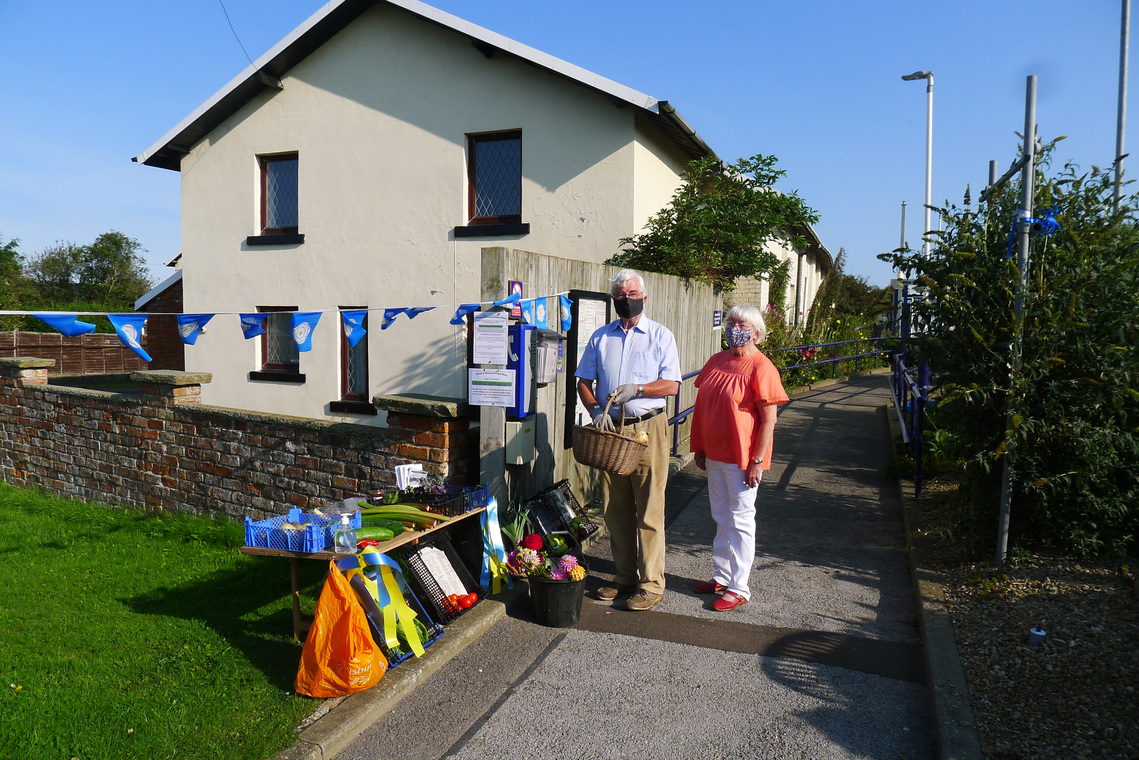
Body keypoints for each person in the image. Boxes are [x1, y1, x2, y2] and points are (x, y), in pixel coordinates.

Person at [576, 269, 680, 611]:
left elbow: (672, 385)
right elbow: (584, 381)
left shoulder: (660, 336)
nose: (625, 299)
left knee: (649, 510)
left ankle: (651, 583)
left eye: (631, 294)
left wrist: (638, 389)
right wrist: (595, 411)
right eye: (619, 296)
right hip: (612, 433)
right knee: (615, 509)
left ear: (644, 297)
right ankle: (623, 578)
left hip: (649, 429)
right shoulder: (601, 338)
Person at [689, 304, 788, 612]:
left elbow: (769, 420)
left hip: (742, 458)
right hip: (716, 453)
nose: (734, 327)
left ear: (756, 332)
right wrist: (701, 447)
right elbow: (706, 407)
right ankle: (721, 575)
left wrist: (757, 461)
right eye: (731, 321)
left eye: (741, 323)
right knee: (721, 516)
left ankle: (739, 586)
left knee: (742, 519)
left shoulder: (762, 367)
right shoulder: (717, 360)